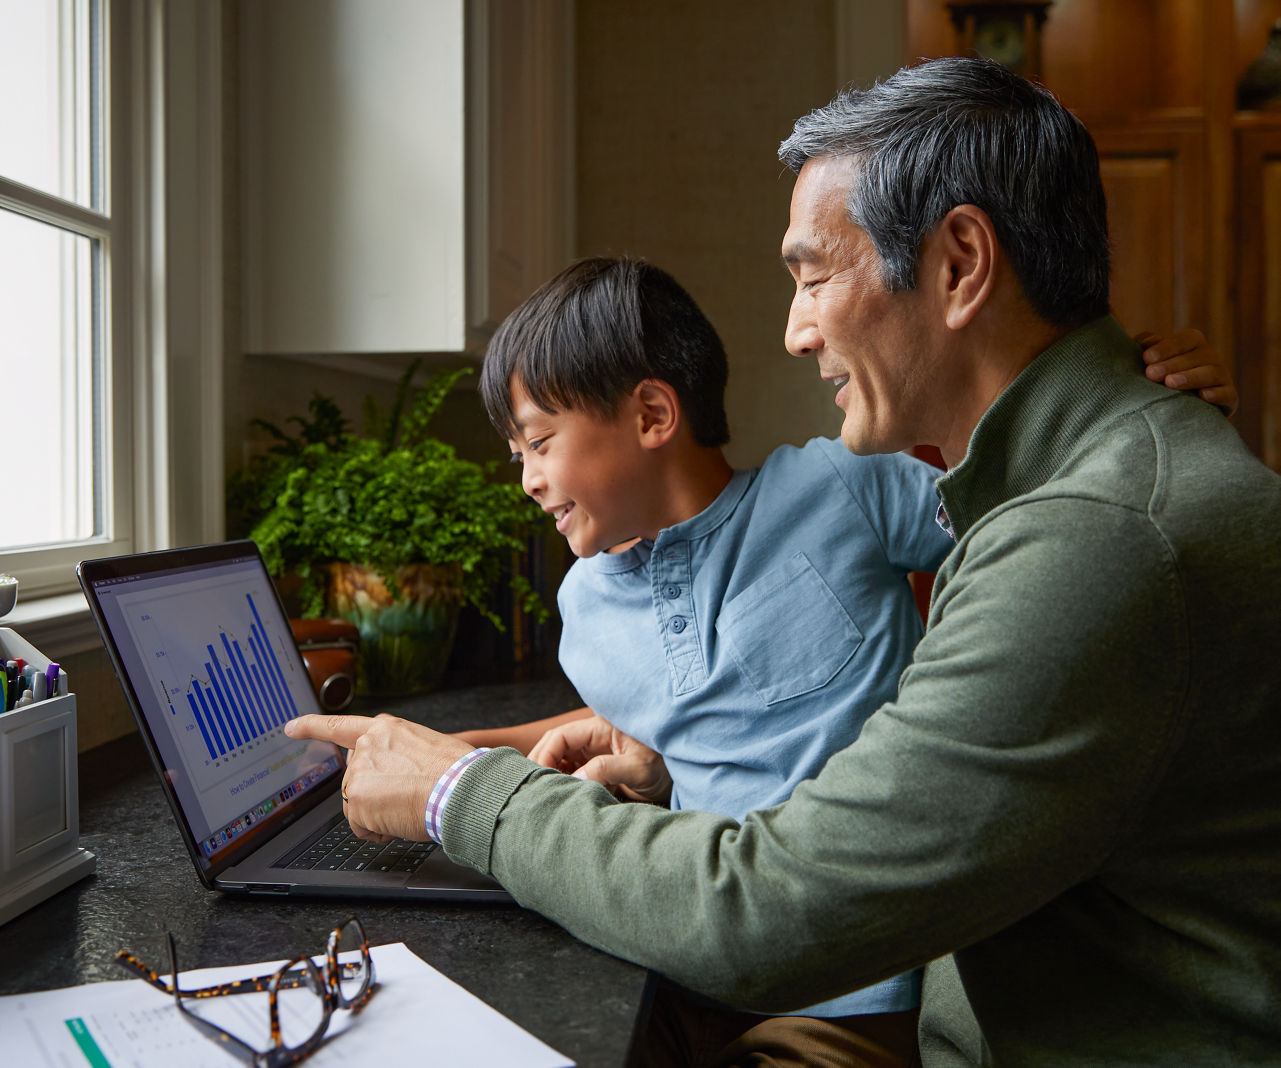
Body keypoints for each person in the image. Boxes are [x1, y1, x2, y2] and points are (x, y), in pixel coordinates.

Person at [287, 57, 1281, 1064]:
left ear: (960, 262)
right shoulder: (1087, 485)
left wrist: (462, 796)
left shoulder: (1095, 533)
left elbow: (767, 913)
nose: (796, 331)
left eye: (813, 277)